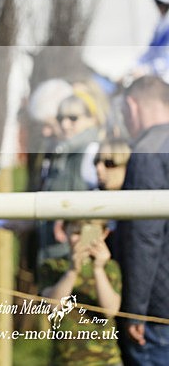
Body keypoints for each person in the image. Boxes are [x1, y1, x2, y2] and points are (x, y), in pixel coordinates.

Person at [118, 75, 169, 364]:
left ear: (131, 105)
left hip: (158, 312)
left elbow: (145, 236)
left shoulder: (148, 152)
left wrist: (135, 309)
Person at [40, 219, 122, 365]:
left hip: (106, 360)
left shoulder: (110, 267)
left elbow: (110, 310)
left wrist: (98, 269)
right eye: (77, 233)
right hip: (66, 360)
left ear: (104, 233)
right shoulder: (53, 266)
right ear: (64, 231)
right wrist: (72, 270)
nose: (82, 241)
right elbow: (52, 307)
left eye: (90, 234)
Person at [39, 93, 102, 265]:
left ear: (91, 119)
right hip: (53, 255)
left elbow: (101, 209)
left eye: (73, 118)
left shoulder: (92, 152)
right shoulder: (62, 152)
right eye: (60, 118)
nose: (65, 124)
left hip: (79, 259)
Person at [124, 0, 169, 84]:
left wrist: (146, 70)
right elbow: (150, 52)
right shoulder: (162, 25)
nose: (158, 6)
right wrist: (132, 69)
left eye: (160, 2)